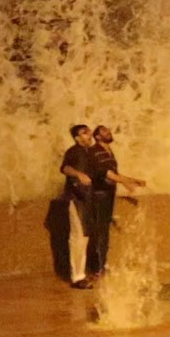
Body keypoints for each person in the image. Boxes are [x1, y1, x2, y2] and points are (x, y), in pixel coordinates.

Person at [87, 125, 146, 276]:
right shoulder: (96, 152)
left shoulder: (108, 151)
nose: (109, 132)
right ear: (97, 137)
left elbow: (115, 173)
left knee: (104, 231)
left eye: (108, 130)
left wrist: (127, 184)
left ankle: (101, 265)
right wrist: (134, 180)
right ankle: (97, 268)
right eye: (104, 131)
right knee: (100, 232)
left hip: (107, 194)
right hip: (99, 196)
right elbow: (110, 175)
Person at [59, 124, 99, 289]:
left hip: (87, 199)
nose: (90, 134)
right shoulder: (73, 151)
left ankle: (82, 273)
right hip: (76, 199)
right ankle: (77, 277)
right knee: (78, 238)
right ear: (77, 138)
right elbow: (65, 168)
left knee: (84, 237)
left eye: (89, 131)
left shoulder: (88, 153)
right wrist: (79, 174)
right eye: (85, 133)